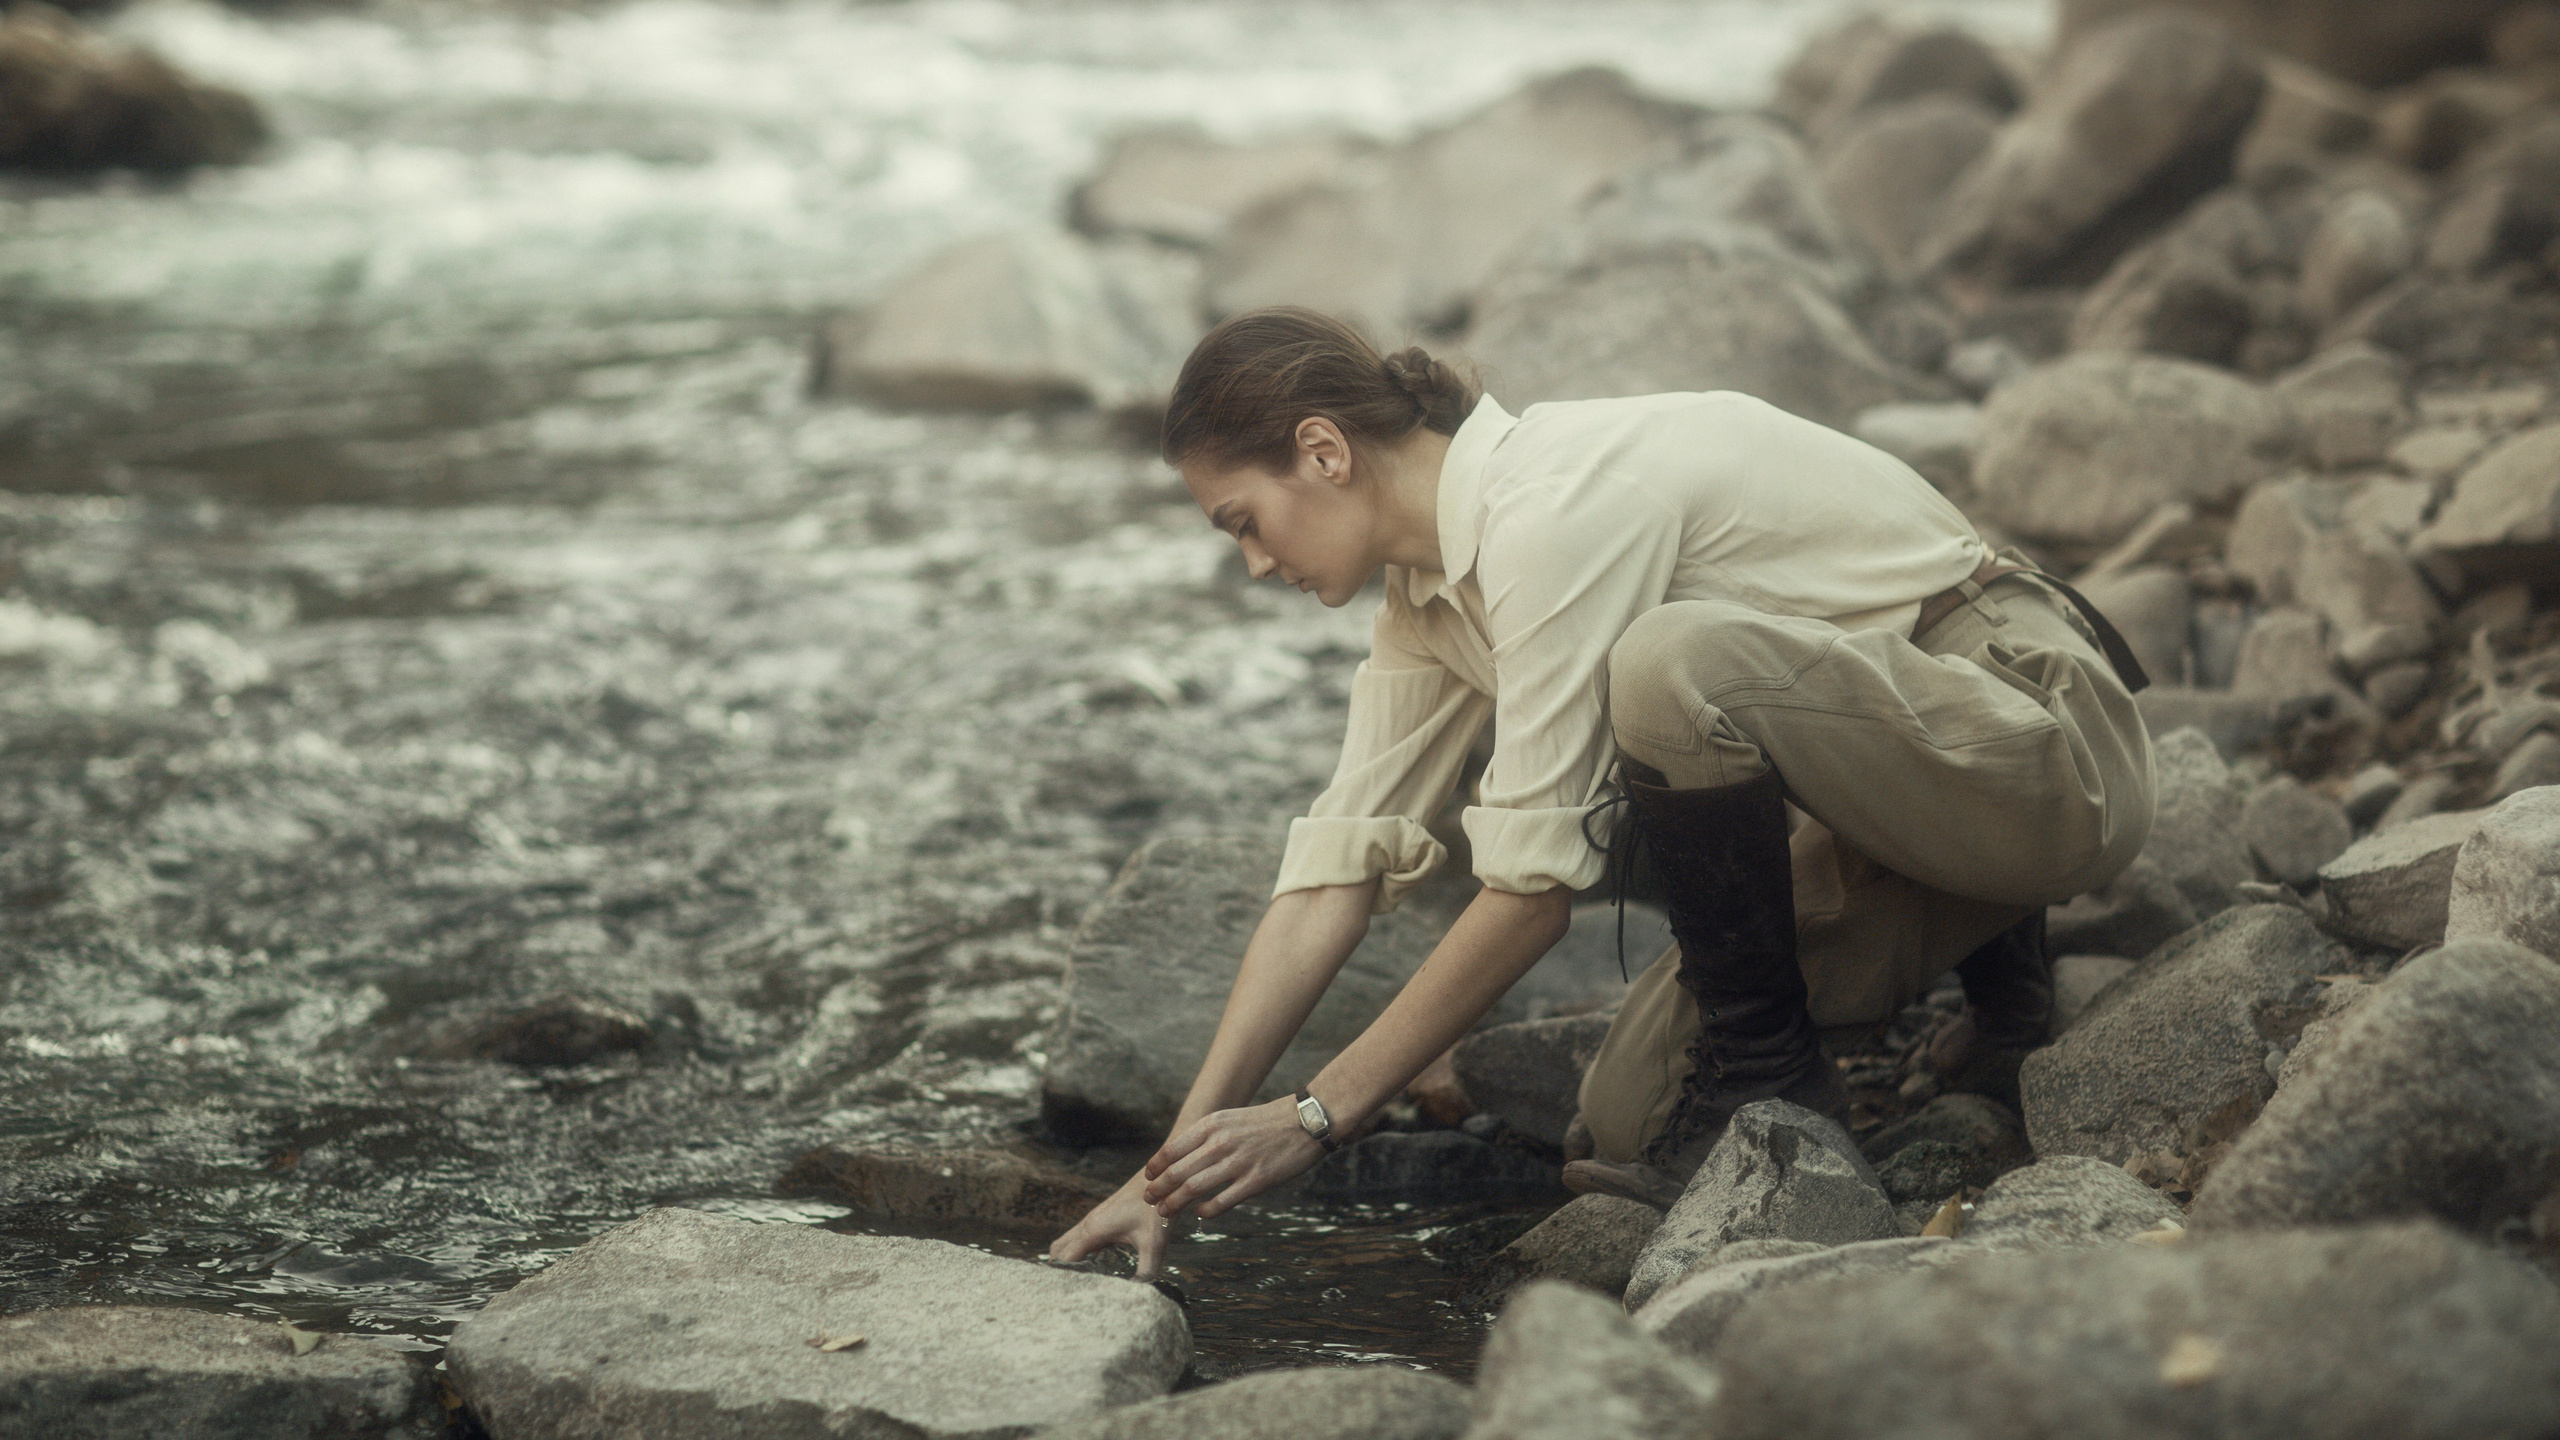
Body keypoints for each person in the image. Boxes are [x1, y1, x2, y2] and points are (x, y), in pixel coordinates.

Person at [1047, 306, 2155, 1278]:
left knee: (1665, 669)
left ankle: (1787, 1072)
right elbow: (1330, 875)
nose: (1250, 563)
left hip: (2045, 748)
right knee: (1620, 1117)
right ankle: (1992, 968)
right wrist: (1168, 1172)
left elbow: (1530, 895)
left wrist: (1315, 1114)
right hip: (1912, 794)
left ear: (1323, 451)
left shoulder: (1555, 505)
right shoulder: (1427, 604)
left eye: (1242, 520)